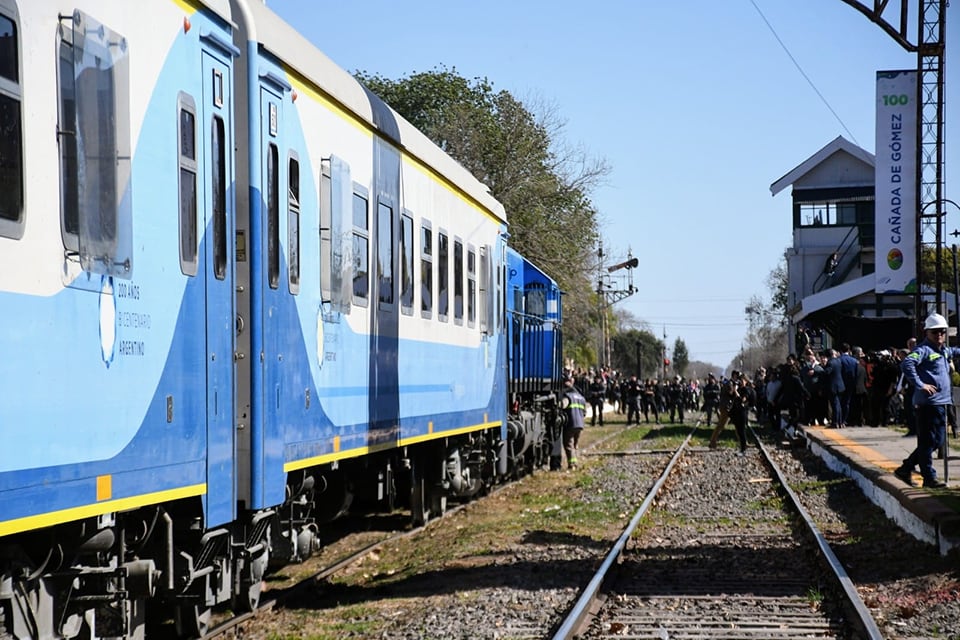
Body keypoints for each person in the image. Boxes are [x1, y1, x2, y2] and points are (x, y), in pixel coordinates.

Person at [894, 313, 953, 488]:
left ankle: (906, 467)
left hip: (940, 403)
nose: (939, 335)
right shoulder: (924, 350)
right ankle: (928, 477)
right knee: (928, 442)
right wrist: (920, 384)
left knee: (937, 441)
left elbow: (955, 351)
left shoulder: (943, 350)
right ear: (927, 333)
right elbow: (907, 364)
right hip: (929, 404)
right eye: (935, 332)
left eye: (942, 332)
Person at [560, 378, 586, 470]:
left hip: (570, 424)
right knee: (575, 444)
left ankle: (572, 464)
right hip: (580, 424)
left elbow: (562, 407)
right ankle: (576, 461)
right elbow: (584, 412)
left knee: (568, 444)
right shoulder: (581, 398)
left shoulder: (567, 397)